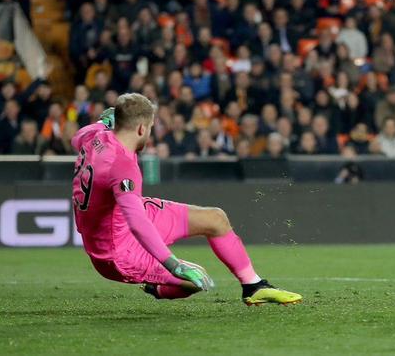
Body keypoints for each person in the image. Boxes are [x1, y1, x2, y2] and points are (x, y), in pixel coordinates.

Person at [71, 94, 301, 305]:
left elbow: (78, 137)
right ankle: (154, 287)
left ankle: (253, 286)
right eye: (151, 128)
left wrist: (105, 122)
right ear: (141, 128)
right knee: (195, 279)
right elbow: (137, 223)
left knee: (216, 219)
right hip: (116, 251)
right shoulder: (122, 164)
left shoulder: (94, 136)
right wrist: (172, 263)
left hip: (121, 218)